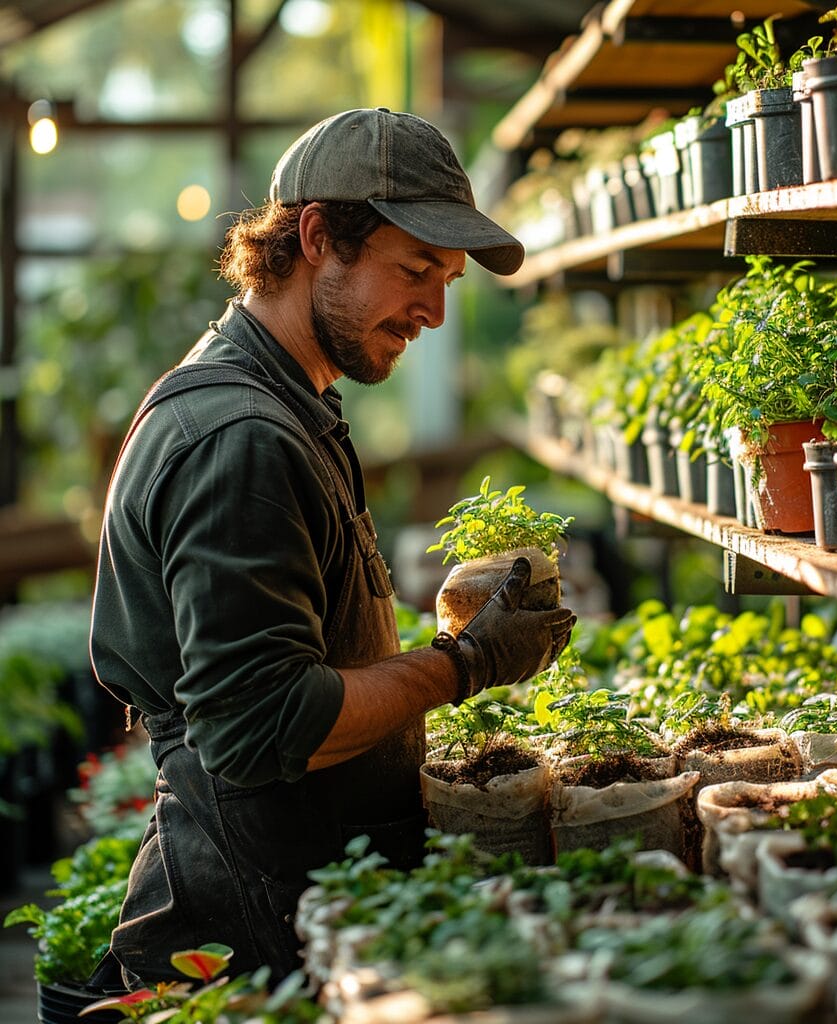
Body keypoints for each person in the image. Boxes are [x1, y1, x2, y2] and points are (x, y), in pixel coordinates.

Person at [88, 107, 576, 989]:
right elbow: (264, 723)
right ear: (317, 236)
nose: (431, 307)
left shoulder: (290, 404)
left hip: (298, 901)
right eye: (415, 269)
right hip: (253, 932)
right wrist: (466, 663)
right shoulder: (240, 438)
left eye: (448, 279)